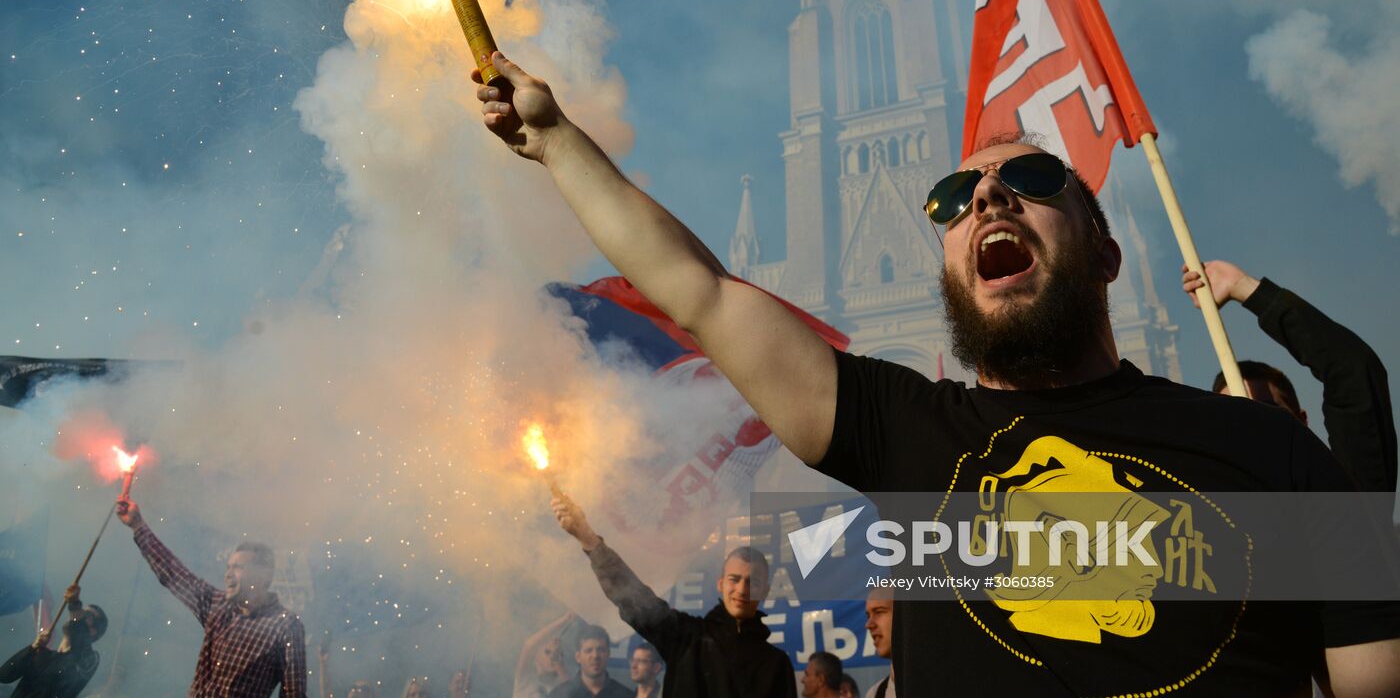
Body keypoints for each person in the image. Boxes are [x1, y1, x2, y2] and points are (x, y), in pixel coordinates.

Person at [474, 54, 1400, 695]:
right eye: (955, 199)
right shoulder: (907, 432)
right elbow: (701, 294)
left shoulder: (1269, 453)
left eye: (1031, 178)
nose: (987, 195)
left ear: (1109, 255)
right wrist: (556, 140)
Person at [551, 492, 795, 698]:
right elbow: (633, 597)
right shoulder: (685, 637)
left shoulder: (776, 664)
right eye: (735, 579)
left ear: (765, 590)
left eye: (753, 582)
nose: (742, 589)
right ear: (720, 584)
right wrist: (588, 539)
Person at [1184, 259, 1396, 492]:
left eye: (1268, 410)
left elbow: (1352, 371)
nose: (1252, 426)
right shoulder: (1215, 518)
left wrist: (1242, 287)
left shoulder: (1340, 500)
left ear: (1302, 421)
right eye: (1235, 417)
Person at [116, 497, 306, 696]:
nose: (228, 575)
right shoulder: (218, 605)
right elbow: (173, 572)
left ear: (263, 575)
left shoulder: (285, 626)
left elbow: (294, 693)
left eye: (238, 568)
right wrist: (138, 526)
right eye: (228, 567)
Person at [0, 583, 106, 698]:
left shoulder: (89, 659)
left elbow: (79, 646)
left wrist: (75, 604)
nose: (80, 615)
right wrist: (32, 648)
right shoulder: (44, 654)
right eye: (81, 612)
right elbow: (5, 676)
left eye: (87, 614)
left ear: (93, 631)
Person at [545, 624, 632, 698]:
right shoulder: (558, 695)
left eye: (600, 650)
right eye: (588, 650)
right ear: (578, 657)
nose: (595, 656)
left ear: (608, 654)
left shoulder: (625, 695)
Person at [514, 611, 574, 698]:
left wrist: (559, 665)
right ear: (535, 656)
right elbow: (529, 646)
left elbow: (573, 693)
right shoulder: (526, 678)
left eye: (558, 654)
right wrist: (565, 619)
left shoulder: (561, 688)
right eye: (547, 652)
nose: (552, 657)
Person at [862, 595, 894, 698]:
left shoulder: (942, 683)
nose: (868, 624)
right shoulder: (875, 693)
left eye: (879, 612)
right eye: (868, 616)